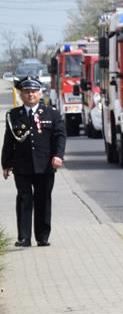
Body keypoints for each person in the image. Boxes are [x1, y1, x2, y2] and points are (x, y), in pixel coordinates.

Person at [2, 75, 66, 246]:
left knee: (43, 199)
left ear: (40, 93)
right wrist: (6, 164)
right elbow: (9, 141)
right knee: (24, 198)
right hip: (22, 165)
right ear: (21, 94)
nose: (30, 95)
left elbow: (59, 136)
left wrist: (58, 156)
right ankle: (24, 237)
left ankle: (42, 236)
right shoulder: (14, 115)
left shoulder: (51, 113)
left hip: (45, 165)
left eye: (33, 91)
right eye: (26, 92)